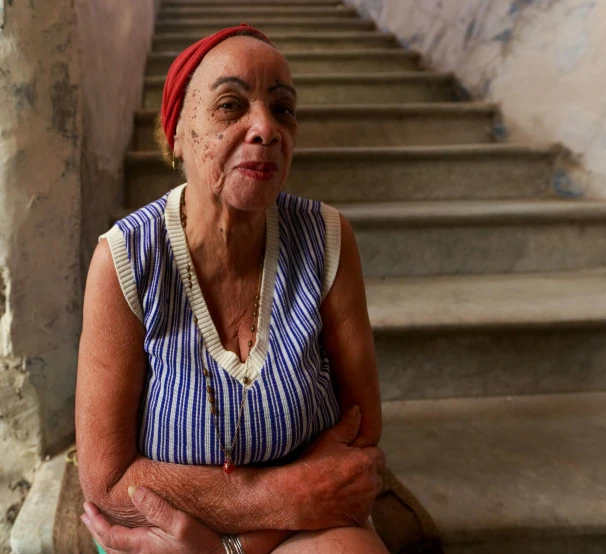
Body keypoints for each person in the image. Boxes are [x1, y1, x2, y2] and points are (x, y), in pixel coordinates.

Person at [75, 24, 388, 553]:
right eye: (230, 106)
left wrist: (234, 546)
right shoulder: (125, 258)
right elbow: (107, 483)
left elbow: (360, 438)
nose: (265, 128)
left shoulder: (328, 238)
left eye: (283, 108)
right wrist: (281, 495)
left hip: (305, 523)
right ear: (176, 134)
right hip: (168, 534)